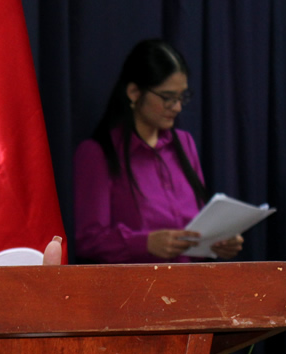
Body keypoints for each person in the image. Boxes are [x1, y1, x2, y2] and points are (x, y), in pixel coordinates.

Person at [74, 38, 243, 264]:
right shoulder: (98, 153)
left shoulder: (185, 144)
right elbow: (87, 241)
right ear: (134, 92)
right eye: (167, 98)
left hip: (188, 287)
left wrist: (218, 241)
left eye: (182, 97)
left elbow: (197, 230)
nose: (177, 107)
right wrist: (145, 244)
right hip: (132, 292)